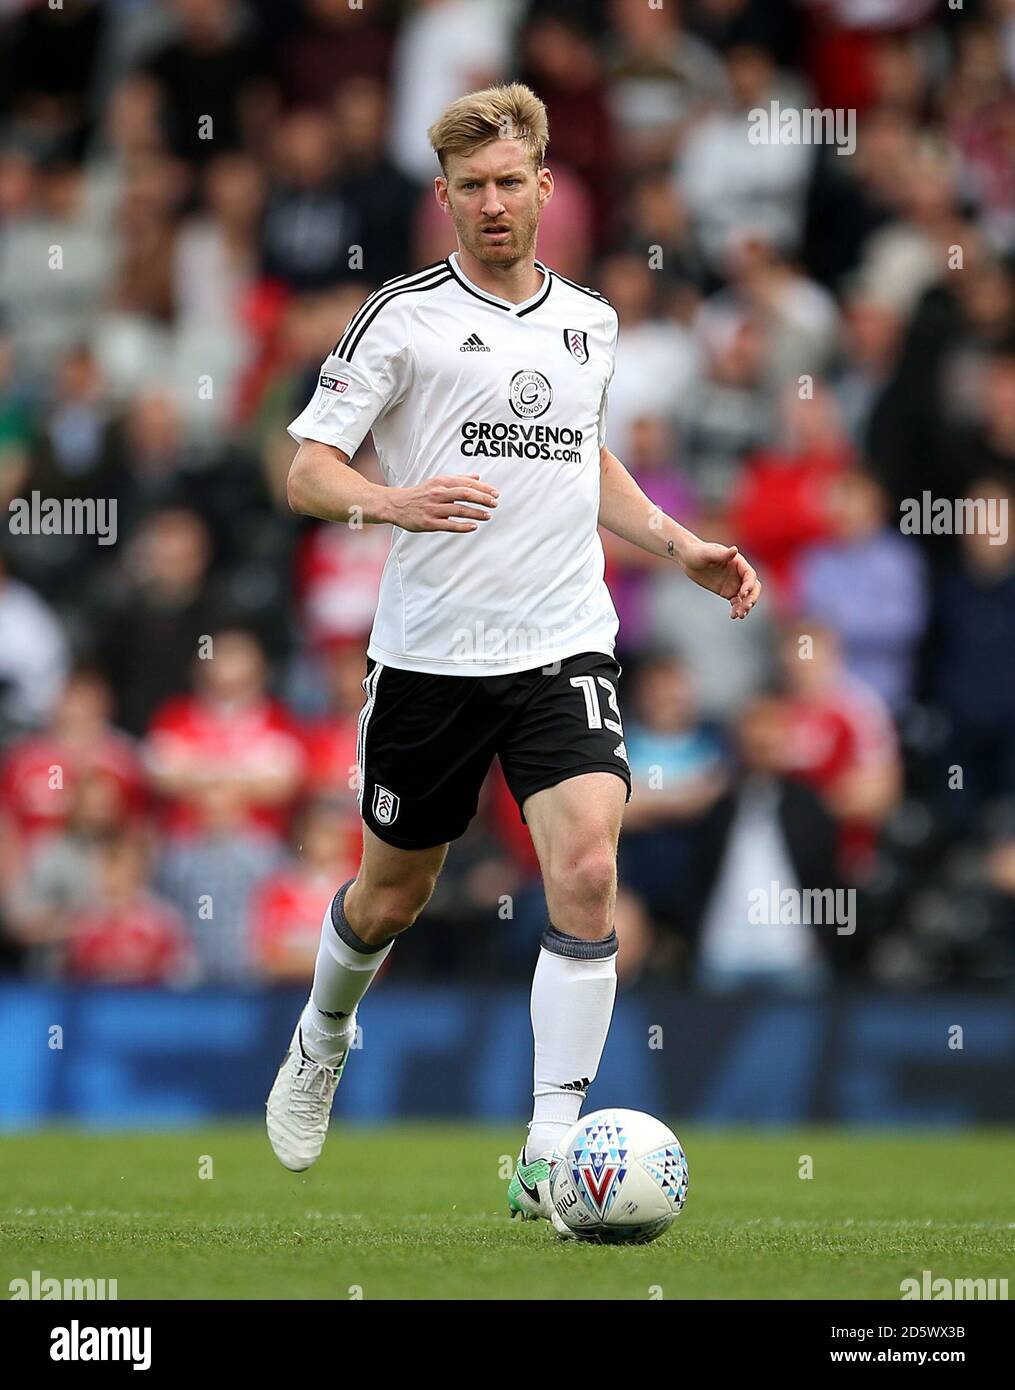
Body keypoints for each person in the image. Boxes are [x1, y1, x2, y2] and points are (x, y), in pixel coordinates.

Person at [266, 84, 761, 1228]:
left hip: (562, 642)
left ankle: (547, 1147)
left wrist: (678, 543)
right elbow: (305, 470)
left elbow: (582, 462)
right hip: (432, 658)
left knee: (587, 869)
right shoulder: (398, 317)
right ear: (443, 198)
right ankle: (321, 1036)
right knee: (393, 895)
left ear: (547, 188)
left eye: (509, 183)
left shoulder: (591, 320)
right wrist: (392, 498)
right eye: (470, 188)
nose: (491, 204)